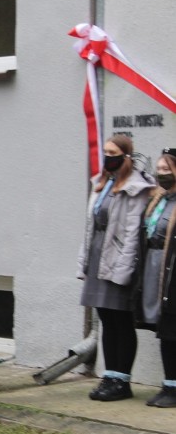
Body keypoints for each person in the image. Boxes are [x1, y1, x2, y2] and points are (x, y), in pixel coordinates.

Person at [78, 134, 156, 402]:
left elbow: (133, 234)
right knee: (106, 320)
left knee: (121, 321)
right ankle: (109, 377)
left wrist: (123, 271)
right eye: (105, 152)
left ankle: (122, 381)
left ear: (125, 156)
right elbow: (90, 228)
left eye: (112, 152)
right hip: (98, 258)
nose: (107, 157)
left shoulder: (137, 188)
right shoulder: (102, 184)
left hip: (119, 262)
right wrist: (84, 262)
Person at [136, 148, 176, 408]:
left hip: (172, 271)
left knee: (172, 331)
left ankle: (173, 388)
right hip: (155, 269)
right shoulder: (160, 199)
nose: (161, 174)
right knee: (164, 331)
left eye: (166, 170)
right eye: (159, 170)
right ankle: (169, 384)